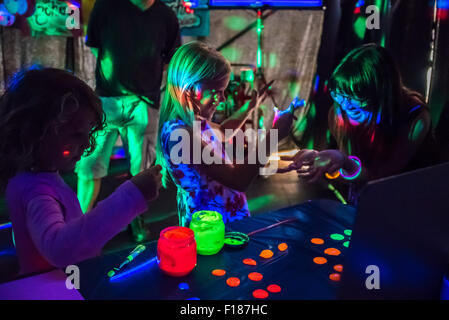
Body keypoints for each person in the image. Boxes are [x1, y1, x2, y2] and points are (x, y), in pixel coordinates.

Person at [0, 67, 162, 276]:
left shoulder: (32, 177)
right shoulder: (38, 193)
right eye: (76, 134)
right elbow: (60, 250)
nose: (87, 144)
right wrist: (132, 195)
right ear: (35, 131)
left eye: (87, 133)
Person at [156, 41, 301, 227]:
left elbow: (223, 131)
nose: (222, 99)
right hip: (210, 227)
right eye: (217, 92)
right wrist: (274, 136)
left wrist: (250, 107)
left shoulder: (192, 121)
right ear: (191, 90)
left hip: (223, 216)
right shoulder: (180, 136)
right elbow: (237, 180)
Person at [280, 44, 441, 205]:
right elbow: (353, 174)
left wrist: (343, 161)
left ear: (380, 93)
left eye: (355, 96)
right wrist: (320, 158)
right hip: (364, 203)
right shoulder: (339, 111)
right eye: (338, 94)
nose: (345, 104)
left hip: (410, 203)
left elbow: (380, 178)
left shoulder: (414, 117)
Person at [76, 0, 180, 241]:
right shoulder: (106, 6)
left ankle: (136, 220)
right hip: (105, 101)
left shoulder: (166, 16)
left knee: (141, 171)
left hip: (143, 103)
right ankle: (80, 226)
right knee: (89, 167)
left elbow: (170, 58)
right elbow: (94, 46)